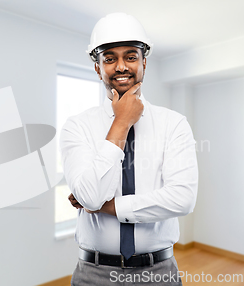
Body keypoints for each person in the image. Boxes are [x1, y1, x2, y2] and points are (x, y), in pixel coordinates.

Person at [60, 13, 198, 285]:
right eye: (109, 58)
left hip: (159, 272)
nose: (121, 66)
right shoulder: (77, 127)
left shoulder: (174, 124)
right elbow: (89, 197)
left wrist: (108, 206)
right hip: (94, 274)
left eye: (131, 56)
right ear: (98, 68)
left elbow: (182, 198)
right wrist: (121, 122)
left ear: (144, 63)